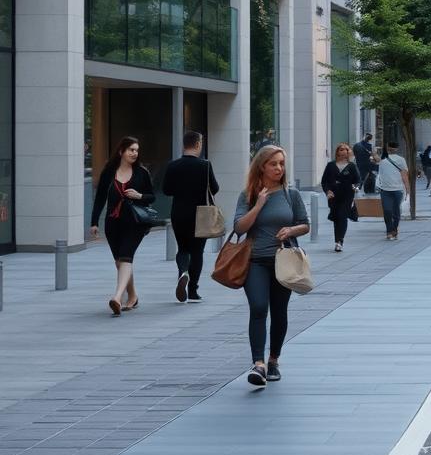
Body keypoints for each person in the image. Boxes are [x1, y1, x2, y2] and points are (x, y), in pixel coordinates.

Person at [233, 145, 310, 387]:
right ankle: (258, 364)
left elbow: (305, 224)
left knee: (279, 312)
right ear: (262, 167)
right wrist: (258, 205)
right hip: (255, 260)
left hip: (282, 261)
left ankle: (274, 359)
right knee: (258, 307)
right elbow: (239, 228)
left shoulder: (291, 194)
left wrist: (292, 229)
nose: (278, 168)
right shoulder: (248, 195)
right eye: (273, 164)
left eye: (281, 163)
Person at [90, 136, 156, 316]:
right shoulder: (108, 173)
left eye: (136, 150)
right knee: (120, 262)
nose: (135, 153)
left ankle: (117, 297)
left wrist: (139, 196)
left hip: (134, 223)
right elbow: (100, 199)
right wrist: (94, 222)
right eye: (131, 150)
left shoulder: (142, 173)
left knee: (126, 257)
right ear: (121, 152)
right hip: (113, 223)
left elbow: (152, 196)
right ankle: (133, 296)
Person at [162, 130, 219, 302]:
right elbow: (214, 188)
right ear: (198, 144)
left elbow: (166, 190)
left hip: (179, 213)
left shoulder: (173, 165)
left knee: (183, 248)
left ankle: (183, 274)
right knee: (197, 251)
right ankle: (193, 290)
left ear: (184, 145)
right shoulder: (205, 165)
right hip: (200, 214)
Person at [321, 143, 360, 252]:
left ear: (349, 152)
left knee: (342, 216)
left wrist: (356, 187)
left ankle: (340, 241)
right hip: (333, 196)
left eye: (346, 150)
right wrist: (327, 191)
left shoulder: (352, 166)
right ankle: (337, 240)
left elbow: (357, 180)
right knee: (336, 217)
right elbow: (324, 181)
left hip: (347, 195)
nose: (344, 151)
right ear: (337, 151)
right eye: (341, 149)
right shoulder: (330, 165)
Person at [377, 141, 410, 240]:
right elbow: (380, 175)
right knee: (387, 210)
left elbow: (404, 175)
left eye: (392, 147)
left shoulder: (401, 160)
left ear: (396, 149)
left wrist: (407, 188)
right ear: (387, 148)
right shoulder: (383, 161)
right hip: (385, 190)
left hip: (397, 189)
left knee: (396, 211)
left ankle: (394, 229)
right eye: (389, 147)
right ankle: (389, 231)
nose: (390, 149)